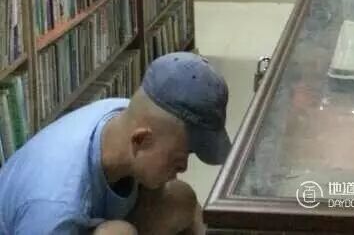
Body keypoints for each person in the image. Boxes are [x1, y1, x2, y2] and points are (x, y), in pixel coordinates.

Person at [0, 52, 231, 234]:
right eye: (178, 160)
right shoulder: (53, 206)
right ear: (140, 140)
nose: (184, 168)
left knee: (180, 200)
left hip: (89, 218)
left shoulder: (126, 115)